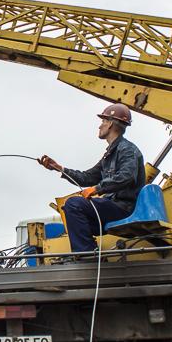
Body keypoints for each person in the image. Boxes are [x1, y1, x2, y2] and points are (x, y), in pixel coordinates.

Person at [37, 103, 145, 253]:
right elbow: (86, 177)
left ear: (111, 124)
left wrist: (96, 189)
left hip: (123, 208)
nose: (100, 126)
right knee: (72, 212)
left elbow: (126, 176)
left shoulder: (127, 150)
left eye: (103, 122)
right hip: (112, 206)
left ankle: (87, 253)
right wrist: (59, 168)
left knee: (74, 205)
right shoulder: (109, 155)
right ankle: (90, 250)